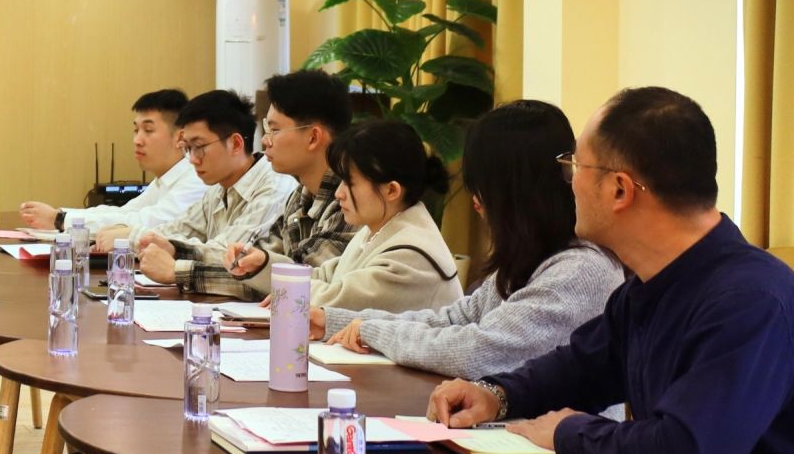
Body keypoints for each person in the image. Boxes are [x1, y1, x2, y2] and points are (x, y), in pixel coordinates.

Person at [430, 87, 794, 454]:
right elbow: (581, 367)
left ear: (620, 190)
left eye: (575, 166)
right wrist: (496, 394)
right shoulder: (650, 285)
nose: (570, 183)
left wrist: (568, 431)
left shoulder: (750, 302)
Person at [329, 98, 621, 374]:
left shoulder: (580, 270)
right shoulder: (532, 257)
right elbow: (456, 318)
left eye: (482, 188)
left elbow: (478, 351)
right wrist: (334, 321)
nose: (476, 203)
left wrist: (370, 330)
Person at [301, 118, 459, 333]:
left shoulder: (411, 255)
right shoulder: (376, 229)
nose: (338, 193)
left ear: (391, 190)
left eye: (349, 183)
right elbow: (326, 276)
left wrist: (287, 286)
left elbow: (334, 303)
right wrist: (264, 264)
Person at [215, 69, 357, 299]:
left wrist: (177, 270)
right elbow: (253, 263)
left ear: (313, 137)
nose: (265, 140)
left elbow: (299, 282)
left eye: (275, 130)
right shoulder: (300, 196)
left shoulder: (351, 200)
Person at [131, 90, 289, 293]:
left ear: (236, 144)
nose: (192, 159)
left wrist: (174, 263)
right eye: (188, 148)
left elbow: (231, 256)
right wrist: (150, 241)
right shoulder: (216, 189)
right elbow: (177, 229)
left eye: (199, 147)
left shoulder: (273, 187)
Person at [19, 88, 202, 244]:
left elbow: (145, 223)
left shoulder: (196, 180)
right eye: (136, 130)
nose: (137, 140)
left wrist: (59, 219)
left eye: (148, 130)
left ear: (180, 137)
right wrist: (61, 214)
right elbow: (125, 212)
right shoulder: (165, 178)